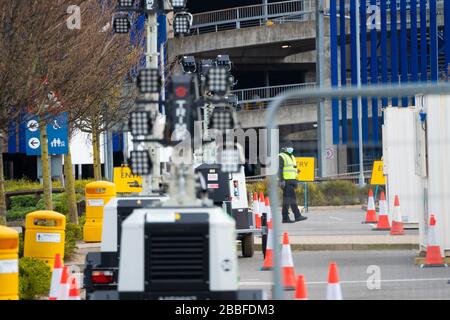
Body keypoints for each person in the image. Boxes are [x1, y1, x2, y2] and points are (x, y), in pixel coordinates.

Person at [278, 141, 308, 223]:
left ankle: (294, 216)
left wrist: (296, 176)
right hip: (286, 182)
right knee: (289, 200)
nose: (291, 148)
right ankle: (291, 217)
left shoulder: (292, 157)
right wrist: (281, 180)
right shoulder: (281, 156)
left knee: (290, 200)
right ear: (285, 148)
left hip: (292, 181)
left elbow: (292, 169)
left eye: (292, 147)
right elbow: (279, 169)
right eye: (289, 147)